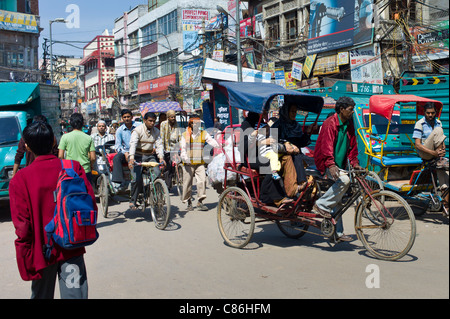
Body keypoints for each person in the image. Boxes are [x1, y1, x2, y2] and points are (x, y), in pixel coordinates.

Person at [9, 121, 95, 299]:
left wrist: (25, 256)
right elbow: (90, 206)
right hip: (72, 246)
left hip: (42, 252)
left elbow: (23, 227)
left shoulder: (20, 180)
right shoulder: (73, 168)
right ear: (54, 141)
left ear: (27, 146)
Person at [314, 96, 363, 242]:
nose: (352, 112)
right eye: (350, 109)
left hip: (339, 164)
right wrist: (330, 164)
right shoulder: (330, 123)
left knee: (339, 197)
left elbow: (353, 147)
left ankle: (338, 233)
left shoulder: (349, 123)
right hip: (325, 162)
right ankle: (321, 204)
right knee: (344, 180)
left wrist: (355, 163)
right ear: (341, 109)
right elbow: (326, 147)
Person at [413, 102, 449, 209]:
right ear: (424, 112)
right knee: (438, 130)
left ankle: (446, 206)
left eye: (432, 113)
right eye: (428, 113)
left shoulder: (438, 122)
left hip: (436, 155)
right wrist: (434, 153)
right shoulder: (420, 124)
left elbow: (441, 141)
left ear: (435, 113)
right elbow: (418, 145)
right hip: (425, 153)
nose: (430, 115)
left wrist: (443, 150)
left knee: (444, 172)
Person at [180, 115, 219, 211]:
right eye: (195, 123)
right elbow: (183, 149)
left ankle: (200, 201)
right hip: (188, 163)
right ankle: (188, 202)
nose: (197, 125)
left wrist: (220, 145)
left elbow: (212, 141)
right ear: (191, 124)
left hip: (199, 162)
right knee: (187, 183)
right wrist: (185, 158)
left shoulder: (203, 133)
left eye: (198, 123)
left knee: (202, 181)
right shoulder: (185, 135)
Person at [128, 112, 165, 210]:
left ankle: (155, 193)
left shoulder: (156, 131)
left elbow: (159, 145)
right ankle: (133, 201)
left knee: (157, 174)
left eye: (154, 121)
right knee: (136, 179)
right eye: (150, 121)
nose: (152, 123)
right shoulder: (137, 130)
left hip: (149, 156)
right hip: (137, 156)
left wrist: (161, 157)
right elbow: (133, 144)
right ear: (144, 120)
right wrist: (131, 158)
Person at [58, 113, 96, 184]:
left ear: (71, 123)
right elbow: (93, 157)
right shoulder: (88, 138)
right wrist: (90, 165)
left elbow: (60, 156)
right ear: (83, 123)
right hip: (85, 170)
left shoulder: (65, 137)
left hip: (70, 170)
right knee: (86, 192)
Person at [112, 109, 141, 190]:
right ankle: (119, 181)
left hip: (139, 151)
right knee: (117, 158)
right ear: (122, 118)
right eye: (125, 117)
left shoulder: (139, 126)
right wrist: (125, 153)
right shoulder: (119, 130)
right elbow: (118, 146)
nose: (127, 119)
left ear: (132, 117)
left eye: (128, 117)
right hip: (126, 152)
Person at [160, 109, 183, 189]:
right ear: (168, 117)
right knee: (168, 167)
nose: (173, 118)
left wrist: (182, 145)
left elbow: (179, 136)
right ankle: (168, 185)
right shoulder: (163, 124)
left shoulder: (176, 124)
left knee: (181, 160)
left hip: (175, 148)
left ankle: (177, 176)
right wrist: (162, 150)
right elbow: (162, 137)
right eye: (171, 117)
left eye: (174, 117)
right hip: (167, 148)